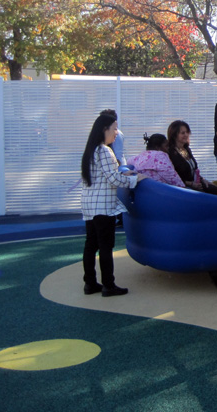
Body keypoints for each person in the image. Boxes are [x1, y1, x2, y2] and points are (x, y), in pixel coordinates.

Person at [81, 111, 145, 297]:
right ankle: (109, 284)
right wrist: (135, 179)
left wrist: (121, 175)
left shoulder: (90, 150)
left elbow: (103, 176)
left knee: (90, 245)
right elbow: (113, 179)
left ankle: (90, 283)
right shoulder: (104, 150)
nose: (116, 133)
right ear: (104, 129)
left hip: (89, 205)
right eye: (114, 129)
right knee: (106, 247)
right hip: (104, 207)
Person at [168, 120, 217, 195]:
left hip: (196, 183)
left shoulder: (187, 149)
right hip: (184, 187)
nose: (186, 135)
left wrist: (203, 180)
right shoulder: (171, 153)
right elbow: (173, 177)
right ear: (174, 135)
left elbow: (194, 170)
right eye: (183, 133)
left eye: (187, 132)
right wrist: (191, 184)